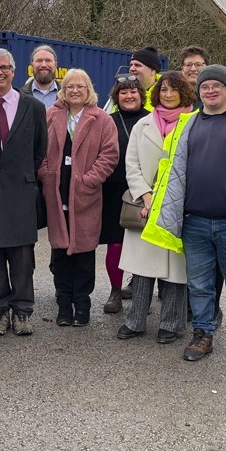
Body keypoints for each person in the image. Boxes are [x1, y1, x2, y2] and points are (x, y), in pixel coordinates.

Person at [141, 64, 226, 366]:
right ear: (199, 90)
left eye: (217, 85)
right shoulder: (187, 124)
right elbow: (168, 167)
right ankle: (202, 334)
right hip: (195, 222)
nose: (210, 90)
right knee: (200, 285)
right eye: (205, 86)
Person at [0, 48, 47, 337]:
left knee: (22, 257)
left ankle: (23, 311)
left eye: (4, 67)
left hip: (22, 192)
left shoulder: (33, 107)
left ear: (14, 71)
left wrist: (24, 176)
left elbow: (41, 150)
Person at [118, 72, 195, 343]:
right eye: (164, 90)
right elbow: (132, 164)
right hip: (144, 205)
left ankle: (172, 324)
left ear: (184, 92)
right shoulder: (143, 124)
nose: (169, 94)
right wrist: (146, 196)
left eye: (174, 90)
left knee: (175, 270)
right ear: (157, 93)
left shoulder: (193, 124)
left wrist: (172, 200)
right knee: (141, 268)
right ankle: (135, 320)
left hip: (179, 205)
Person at [38, 69, 118, 326]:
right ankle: (63, 306)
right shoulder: (51, 115)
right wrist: (45, 174)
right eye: (70, 86)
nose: (74, 90)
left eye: (80, 86)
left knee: (84, 254)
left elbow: (109, 155)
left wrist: (90, 180)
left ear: (88, 90)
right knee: (60, 254)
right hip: (56, 190)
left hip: (86, 195)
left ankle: (82, 306)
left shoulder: (102, 119)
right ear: (63, 90)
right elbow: (38, 149)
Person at [99, 74, 147, 314]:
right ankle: (115, 291)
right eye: (123, 92)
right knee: (115, 244)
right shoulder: (107, 121)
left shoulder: (151, 120)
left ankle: (141, 293)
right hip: (113, 190)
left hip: (144, 191)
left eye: (133, 91)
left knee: (143, 245)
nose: (129, 96)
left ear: (141, 95)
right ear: (116, 96)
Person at [129, 46, 161, 110]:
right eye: (131, 65)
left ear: (152, 71)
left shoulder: (166, 95)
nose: (131, 69)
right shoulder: (122, 93)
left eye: (137, 65)